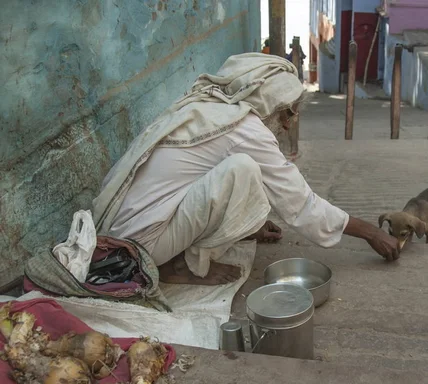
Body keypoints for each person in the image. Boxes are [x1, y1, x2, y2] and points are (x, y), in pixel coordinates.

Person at [92, 53, 400, 286]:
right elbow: (303, 205)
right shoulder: (245, 129)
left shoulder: (212, 106)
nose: (288, 124)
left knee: (243, 170)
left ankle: (173, 258)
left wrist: (250, 224)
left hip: (122, 230)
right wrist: (371, 232)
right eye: (289, 113)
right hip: (139, 249)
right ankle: (180, 267)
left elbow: (191, 184)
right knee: (244, 169)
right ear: (274, 104)